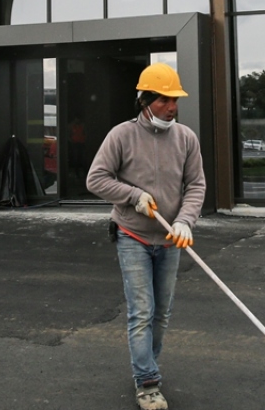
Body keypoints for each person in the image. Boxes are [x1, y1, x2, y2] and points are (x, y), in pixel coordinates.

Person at [86, 63, 206, 410]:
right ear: (146, 100)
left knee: (161, 314)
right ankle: (148, 382)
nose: (172, 107)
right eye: (165, 100)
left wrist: (185, 220)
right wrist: (133, 196)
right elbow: (96, 179)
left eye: (175, 100)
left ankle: (146, 366)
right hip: (132, 236)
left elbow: (196, 184)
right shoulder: (121, 136)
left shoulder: (185, 138)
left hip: (170, 240)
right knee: (142, 312)